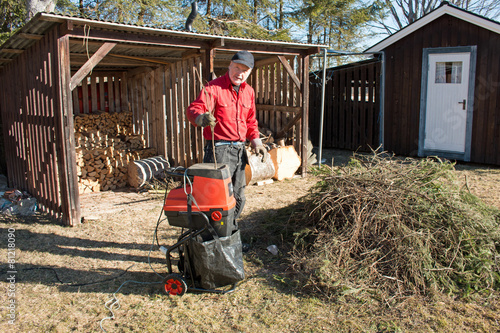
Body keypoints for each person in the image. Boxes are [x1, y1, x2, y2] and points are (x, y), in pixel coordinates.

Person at [186, 50, 267, 224]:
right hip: (218, 151)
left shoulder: (249, 92)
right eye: (237, 67)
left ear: (250, 72)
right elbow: (195, 109)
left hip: (239, 151)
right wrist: (201, 118)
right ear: (229, 66)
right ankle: (213, 237)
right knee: (216, 197)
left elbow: (251, 120)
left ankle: (229, 234)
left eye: (245, 70)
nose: (240, 73)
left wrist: (256, 141)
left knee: (237, 196)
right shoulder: (213, 88)